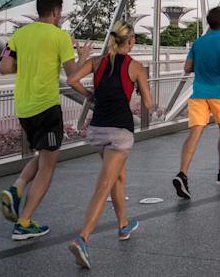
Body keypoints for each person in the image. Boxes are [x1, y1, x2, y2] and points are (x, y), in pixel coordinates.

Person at [0, 0, 92, 240]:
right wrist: (90, 92)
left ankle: (17, 188)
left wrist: (30, 62)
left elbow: (4, 67)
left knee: (42, 155)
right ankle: (24, 222)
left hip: (24, 108)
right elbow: (73, 77)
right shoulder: (59, 36)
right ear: (55, 12)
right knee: (48, 166)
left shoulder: (19, 34)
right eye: (60, 12)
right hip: (46, 107)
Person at [66, 22, 152, 269]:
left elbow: (72, 79)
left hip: (97, 131)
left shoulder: (96, 61)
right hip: (119, 134)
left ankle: (123, 224)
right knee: (105, 183)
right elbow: (148, 102)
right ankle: (83, 238)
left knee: (117, 178)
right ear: (131, 41)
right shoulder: (135, 67)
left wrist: (89, 95)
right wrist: (139, 86)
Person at [173, 7, 220, 199]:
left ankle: (183, 174)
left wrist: (204, 64)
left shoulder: (198, 43)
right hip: (219, 94)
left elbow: (187, 67)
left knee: (194, 133)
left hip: (199, 94)